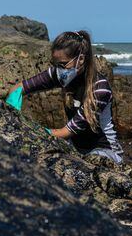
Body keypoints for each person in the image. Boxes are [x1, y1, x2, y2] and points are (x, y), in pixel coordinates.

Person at [6, 30, 124, 164]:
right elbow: (18, 88)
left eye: (62, 64)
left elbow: (67, 131)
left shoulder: (99, 88)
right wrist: (11, 110)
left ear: (81, 59)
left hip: (105, 150)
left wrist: (32, 131)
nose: (58, 69)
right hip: (75, 147)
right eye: (55, 64)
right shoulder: (59, 73)